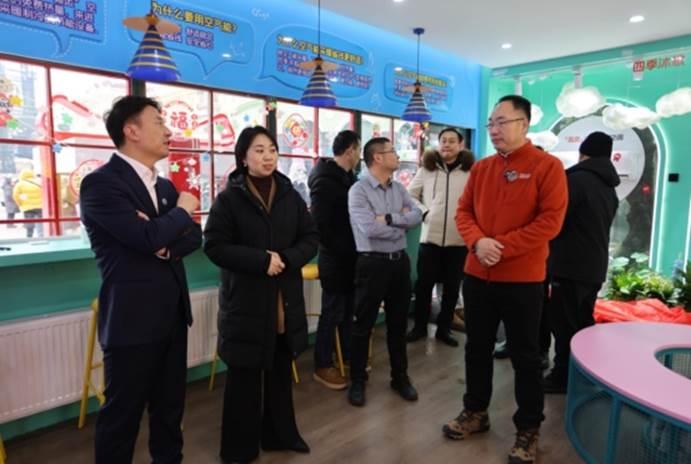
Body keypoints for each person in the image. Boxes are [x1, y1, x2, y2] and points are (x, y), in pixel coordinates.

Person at [444, 95, 567, 464]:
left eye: (502, 122)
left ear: (524, 124)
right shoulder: (482, 168)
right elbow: (463, 212)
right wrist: (478, 242)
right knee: (476, 348)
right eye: (491, 123)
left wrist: (501, 247)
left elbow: (550, 222)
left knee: (526, 357)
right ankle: (475, 411)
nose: (494, 130)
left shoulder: (548, 166)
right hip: (477, 275)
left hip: (522, 280)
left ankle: (528, 429)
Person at [80, 96, 202, 464]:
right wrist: (182, 212)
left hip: (172, 315)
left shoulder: (164, 187)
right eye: (159, 122)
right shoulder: (101, 184)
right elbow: (145, 236)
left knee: (170, 411)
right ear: (131, 131)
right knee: (122, 417)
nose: (168, 130)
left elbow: (193, 238)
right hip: (131, 320)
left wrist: (163, 241)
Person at [204, 126, 319, 463]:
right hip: (247, 301)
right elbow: (214, 246)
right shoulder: (229, 199)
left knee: (281, 370)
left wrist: (287, 259)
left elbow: (310, 237)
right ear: (243, 157)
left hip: (284, 298)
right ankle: (238, 449)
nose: (268, 157)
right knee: (244, 377)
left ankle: (280, 435)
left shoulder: (290, 194)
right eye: (259, 150)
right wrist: (260, 261)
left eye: (272, 149)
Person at [347, 137, 422, 407]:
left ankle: (399, 377)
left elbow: (416, 216)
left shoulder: (399, 188)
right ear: (377, 157)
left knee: (398, 324)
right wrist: (400, 225)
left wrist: (389, 219)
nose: (397, 155)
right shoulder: (358, 190)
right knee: (362, 325)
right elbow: (369, 229)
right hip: (372, 264)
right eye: (392, 151)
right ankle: (358, 380)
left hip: (399, 263)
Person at [543, 131, 620, 394]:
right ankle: (583, 374)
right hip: (594, 266)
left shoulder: (575, 180)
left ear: (582, 153)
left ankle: (562, 377)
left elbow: (555, 220)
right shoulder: (609, 187)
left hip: (570, 265)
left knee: (563, 324)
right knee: (583, 322)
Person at [406, 128, 474, 347]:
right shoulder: (427, 169)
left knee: (452, 289)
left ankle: (444, 329)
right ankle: (419, 327)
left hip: (458, 241)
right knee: (424, 287)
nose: (447, 144)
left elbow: (477, 200)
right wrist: (424, 212)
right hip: (430, 241)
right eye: (443, 140)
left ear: (460, 145)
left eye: (452, 141)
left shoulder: (471, 172)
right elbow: (409, 195)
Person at [309, 130, 361, 390]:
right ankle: (322, 364)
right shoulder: (325, 181)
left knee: (348, 310)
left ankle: (347, 356)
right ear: (350, 150)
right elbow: (321, 226)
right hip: (334, 258)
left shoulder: (349, 178)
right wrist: (342, 248)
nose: (360, 155)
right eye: (359, 149)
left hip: (352, 257)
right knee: (331, 312)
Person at [12, 168, 42, 237]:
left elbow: (15, 195)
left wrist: (20, 204)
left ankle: (29, 235)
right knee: (41, 221)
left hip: (27, 207)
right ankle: (41, 235)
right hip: (40, 206)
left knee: (29, 222)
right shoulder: (39, 182)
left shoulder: (20, 184)